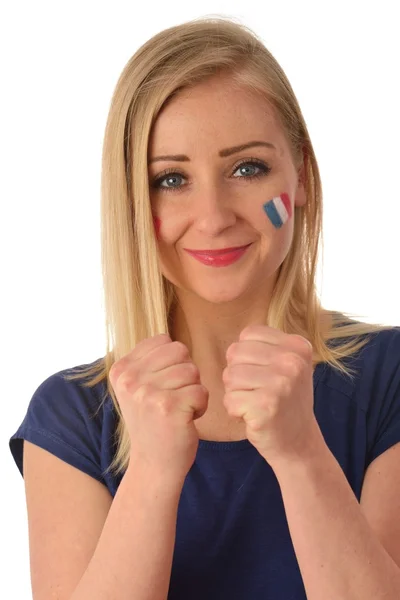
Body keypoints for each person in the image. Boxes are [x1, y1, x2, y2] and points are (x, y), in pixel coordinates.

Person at [9, 15, 400, 600]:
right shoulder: (71, 416)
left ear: (301, 177)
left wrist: (300, 455)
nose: (214, 216)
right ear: (133, 201)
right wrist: (152, 475)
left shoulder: (388, 376)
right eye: (171, 179)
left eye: (247, 168)